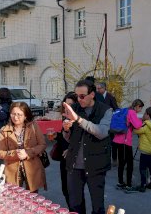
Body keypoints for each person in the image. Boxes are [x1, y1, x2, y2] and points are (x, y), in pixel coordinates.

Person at [62, 80, 112, 214]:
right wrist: (66, 129)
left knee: (97, 205)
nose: (79, 99)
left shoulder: (105, 110)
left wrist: (78, 119)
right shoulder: (75, 108)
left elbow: (101, 133)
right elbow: (69, 138)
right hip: (74, 165)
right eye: (77, 96)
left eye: (82, 96)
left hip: (96, 164)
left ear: (92, 94)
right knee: (75, 205)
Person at [0, 102, 47, 192]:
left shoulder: (33, 127)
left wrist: (28, 153)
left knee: (33, 197)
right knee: (15, 197)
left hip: (32, 167)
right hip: (12, 169)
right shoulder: (4, 130)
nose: (15, 117)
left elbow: (42, 145)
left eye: (19, 115)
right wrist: (15, 153)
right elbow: (0, 153)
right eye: (13, 114)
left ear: (26, 116)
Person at [52, 91, 85, 209]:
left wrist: (72, 149)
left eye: (70, 105)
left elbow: (84, 139)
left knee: (75, 193)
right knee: (66, 190)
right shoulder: (64, 118)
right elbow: (65, 137)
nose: (67, 108)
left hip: (76, 161)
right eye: (65, 105)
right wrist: (57, 135)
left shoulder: (80, 120)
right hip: (64, 159)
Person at [113, 99, 144, 193]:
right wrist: (142, 121)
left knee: (121, 162)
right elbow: (137, 125)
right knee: (130, 163)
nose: (140, 110)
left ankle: (120, 182)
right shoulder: (132, 112)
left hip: (117, 140)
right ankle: (128, 185)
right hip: (126, 141)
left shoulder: (125, 110)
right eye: (140, 108)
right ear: (138, 106)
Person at [132, 107, 151, 192]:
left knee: (142, 168)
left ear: (147, 115)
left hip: (144, 151)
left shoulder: (146, 124)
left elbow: (136, 131)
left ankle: (143, 184)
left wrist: (137, 122)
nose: (143, 115)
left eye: (144, 113)